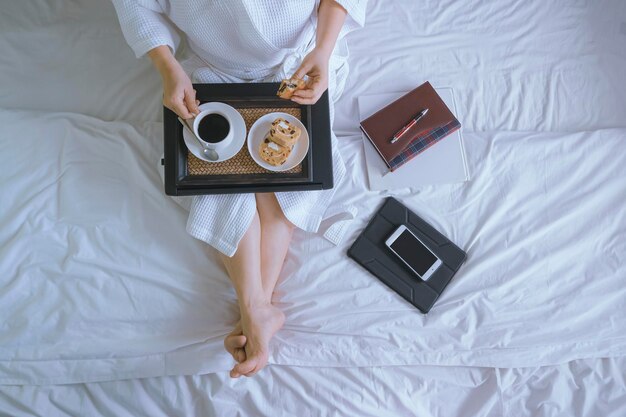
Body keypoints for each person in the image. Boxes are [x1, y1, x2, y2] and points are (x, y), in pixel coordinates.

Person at [111, 0, 366, 378]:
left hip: (299, 63)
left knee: (287, 175)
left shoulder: (311, 55)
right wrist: (169, 68)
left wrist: (323, 52)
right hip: (215, 72)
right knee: (221, 174)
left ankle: (257, 309)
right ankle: (258, 308)